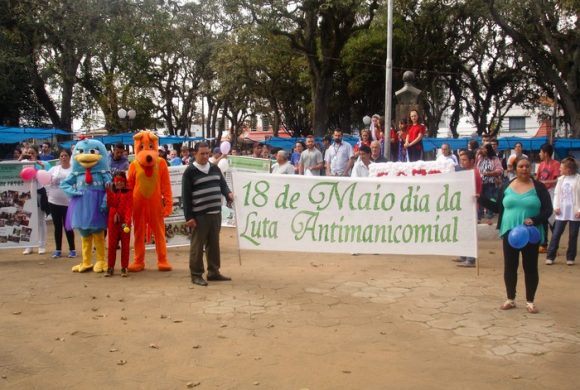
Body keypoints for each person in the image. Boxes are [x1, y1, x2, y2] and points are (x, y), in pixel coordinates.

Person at [479, 157, 553, 314]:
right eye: (521, 166)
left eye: (527, 166)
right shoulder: (506, 186)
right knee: (510, 266)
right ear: (515, 168)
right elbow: (498, 208)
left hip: (531, 234)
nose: (524, 169)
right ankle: (510, 299)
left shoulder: (539, 188)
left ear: (530, 168)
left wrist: (534, 220)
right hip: (509, 233)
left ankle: (530, 301)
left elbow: (548, 210)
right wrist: (480, 199)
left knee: (530, 267)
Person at [182, 142, 234, 286]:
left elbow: (222, 184)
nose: (205, 156)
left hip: (215, 213)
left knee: (213, 244)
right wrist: (189, 217)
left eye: (207, 153)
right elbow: (185, 197)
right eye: (202, 153)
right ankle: (196, 274)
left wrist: (228, 193)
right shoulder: (190, 172)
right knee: (197, 247)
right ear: (195, 154)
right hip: (199, 216)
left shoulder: (214, 168)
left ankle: (213, 272)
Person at [546, 158, 580, 266]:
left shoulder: (578, 179)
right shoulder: (561, 179)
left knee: (573, 235)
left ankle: (570, 257)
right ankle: (550, 256)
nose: (560, 169)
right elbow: (557, 194)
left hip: (574, 212)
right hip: (562, 211)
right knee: (556, 234)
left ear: (568, 169)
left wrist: (579, 210)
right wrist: (556, 206)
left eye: (562, 167)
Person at [454, 150, 482, 267]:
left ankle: (470, 259)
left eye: (465, 160)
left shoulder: (473, 174)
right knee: (464, 231)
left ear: (472, 161)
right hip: (467, 205)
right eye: (461, 160)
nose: (462, 162)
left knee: (469, 232)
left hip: (471, 206)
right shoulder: (468, 173)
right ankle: (465, 255)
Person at [46, 149, 76, 258]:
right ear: (59, 157)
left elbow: (78, 183)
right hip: (54, 201)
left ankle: (72, 249)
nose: (63, 157)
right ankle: (58, 250)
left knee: (68, 226)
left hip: (69, 203)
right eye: (61, 155)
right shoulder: (54, 169)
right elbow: (46, 179)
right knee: (57, 226)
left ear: (69, 157)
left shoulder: (74, 170)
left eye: (66, 155)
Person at [21, 146, 50, 255]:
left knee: (40, 221)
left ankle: (41, 245)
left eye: (32, 153)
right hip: (26, 195)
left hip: (38, 194)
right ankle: (28, 246)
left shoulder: (41, 164)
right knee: (26, 221)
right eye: (28, 153)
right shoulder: (22, 163)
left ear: (36, 154)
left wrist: (38, 166)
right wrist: (21, 157)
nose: (30, 155)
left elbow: (44, 178)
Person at [105, 172, 133, 277]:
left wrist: (126, 222)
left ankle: (124, 267)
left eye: (121, 181)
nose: (119, 183)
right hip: (113, 222)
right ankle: (110, 267)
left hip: (124, 223)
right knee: (112, 245)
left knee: (125, 245)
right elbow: (110, 204)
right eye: (117, 181)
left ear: (125, 181)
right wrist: (109, 193)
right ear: (114, 182)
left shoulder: (129, 192)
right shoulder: (112, 191)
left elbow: (129, 208)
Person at [536, 143, 560, 253]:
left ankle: (554, 245)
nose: (539, 154)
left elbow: (558, 180)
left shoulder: (556, 164)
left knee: (553, 220)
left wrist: (544, 182)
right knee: (543, 219)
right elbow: (537, 178)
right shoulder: (540, 165)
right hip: (541, 193)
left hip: (551, 193)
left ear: (545, 153)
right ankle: (544, 244)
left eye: (540, 152)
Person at [477, 144, 503, 222]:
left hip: (490, 183)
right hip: (481, 182)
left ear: (488, 150)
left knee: (490, 198)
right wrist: (477, 154)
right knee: (480, 198)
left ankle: (489, 216)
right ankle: (480, 215)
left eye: (483, 149)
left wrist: (489, 173)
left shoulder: (494, 159)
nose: (482, 150)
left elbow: (500, 170)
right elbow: (475, 166)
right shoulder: (480, 158)